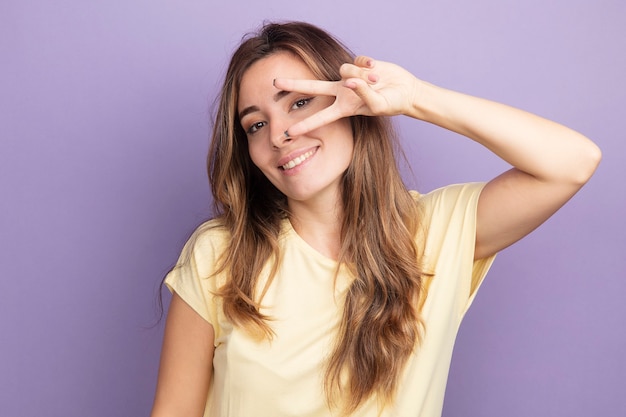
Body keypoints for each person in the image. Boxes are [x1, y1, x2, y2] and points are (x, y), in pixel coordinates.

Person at [150, 21, 601, 417]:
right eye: (256, 125)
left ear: (353, 104)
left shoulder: (431, 233)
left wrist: (414, 97)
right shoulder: (219, 254)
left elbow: (572, 162)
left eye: (300, 102)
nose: (281, 134)